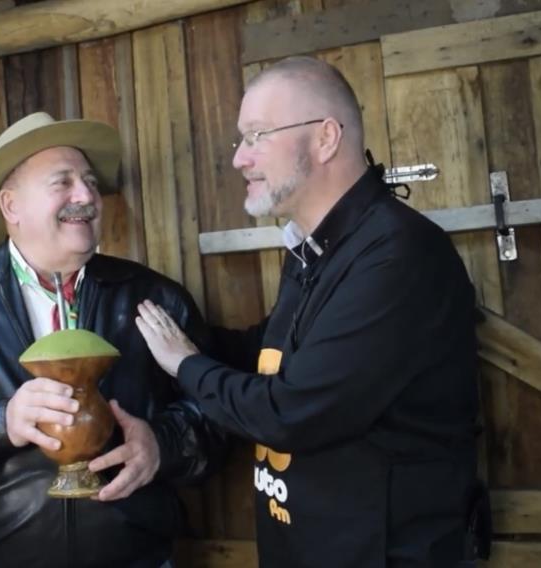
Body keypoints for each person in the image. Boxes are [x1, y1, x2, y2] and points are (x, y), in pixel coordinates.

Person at [136, 56, 481, 567]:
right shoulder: (315, 246)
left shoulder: (398, 254)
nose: (239, 160)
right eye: (241, 139)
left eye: (256, 136)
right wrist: (170, 335)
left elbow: (291, 412)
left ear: (324, 138)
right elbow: (277, 349)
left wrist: (185, 365)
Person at [0, 112, 223, 568]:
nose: (87, 196)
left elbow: (218, 414)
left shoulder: (157, 298)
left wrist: (162, 445)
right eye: (63, 182)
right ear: (11, 206)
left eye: (90, 182)